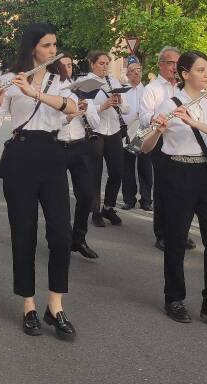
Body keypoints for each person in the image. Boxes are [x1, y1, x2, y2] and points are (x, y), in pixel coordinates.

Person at [0, 22, 78, 340]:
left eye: (55, 45)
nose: (54, 50)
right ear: (33, 47)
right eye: (48, 45)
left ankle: (56, 305)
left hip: (52, 153)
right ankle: (28, 305)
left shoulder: (59, 79)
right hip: (21, 155)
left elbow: (72, 109)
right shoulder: (10, 80)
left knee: (61, 234)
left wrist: (36, 93)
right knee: (24, 235)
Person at [140, 51, 207, 328]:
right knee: (176, 240)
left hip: (205, 174)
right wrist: (158, 129)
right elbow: (146, 148)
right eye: (201, 70)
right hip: (176, 173)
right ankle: (174, 299)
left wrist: (194, 122)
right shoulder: (168, 104)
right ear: (185, 74)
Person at [138, 46, 195, 252]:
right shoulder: (152, 89)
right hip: (161, 139)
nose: (174, 67)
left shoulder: (184, 88)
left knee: (184, 190)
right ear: (161, 64)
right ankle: (161, 234)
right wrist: (156, 118)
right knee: (163, 189)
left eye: (177, 64)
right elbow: (144, 117)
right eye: (170, 63)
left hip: (183, 141)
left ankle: (181, 232)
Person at [57, 53, 100, 260]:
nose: (68, 69)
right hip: (58, 146)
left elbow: (96, 123)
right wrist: (69, 116)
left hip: (80, 145)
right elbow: (51, 123)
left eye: (70, 65)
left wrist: (86, 109)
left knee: (87, 194)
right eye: (63, 65)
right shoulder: (53, 91)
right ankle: (61, 239)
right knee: (59, 198)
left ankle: (79, 238)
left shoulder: (80, 91)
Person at [86, 50, 128, 227]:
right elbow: (83, 108)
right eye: (101, 63)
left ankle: (108, 207)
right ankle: (95, 211)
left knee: (117, 171)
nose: (105, 67)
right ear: (92, 64)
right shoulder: (87, 83)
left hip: (114, 130)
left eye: (106, 63)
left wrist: (120, 102)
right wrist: (102, 106)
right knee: (95, 172)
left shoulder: (114, 80)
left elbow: (126, 109)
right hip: (97, 130)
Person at [121, 60, 153, 211]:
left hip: (143, 132)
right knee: (127, 167)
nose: (136, 73)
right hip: (128, 132)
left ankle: (146, 200)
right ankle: (129, 199)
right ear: (127, 74)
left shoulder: (147, 90)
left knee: (145, 166)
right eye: (133, 70)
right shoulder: (122, 91)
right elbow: (122, 113)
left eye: (139, 70)